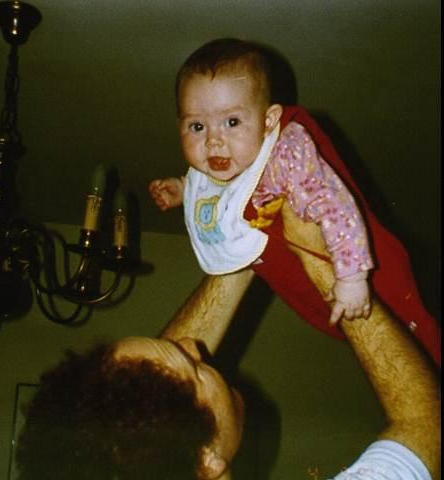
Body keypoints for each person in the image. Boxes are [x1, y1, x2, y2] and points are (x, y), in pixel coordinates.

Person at [15, 205, 441, 479]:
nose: (194, 346)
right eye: (195, 369)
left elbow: (153, 399)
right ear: (205, 461)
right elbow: (427, 424)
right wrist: (322, 262)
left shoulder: (167, 455)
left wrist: (248, 243)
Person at [149, 38, 440, 367]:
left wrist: (352, 277)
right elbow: (219, 188)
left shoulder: (285, 155)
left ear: (269, 121)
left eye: (232, 122)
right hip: (316, 295)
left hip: (369, 275)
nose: (214, 140)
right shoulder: (227, 164)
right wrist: (184, 189)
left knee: (424, 349)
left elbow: (335, 207)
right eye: (197, 126)